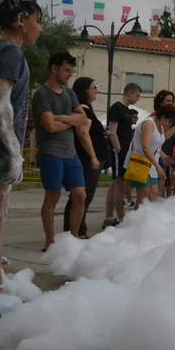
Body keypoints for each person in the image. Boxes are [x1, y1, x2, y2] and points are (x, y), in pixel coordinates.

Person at [0, 0, 42, 294]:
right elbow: (1, 106)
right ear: (21, 20)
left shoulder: (1, 50)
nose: (40, 29)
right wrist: (16, 155)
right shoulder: (10, 52)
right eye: (37, 21)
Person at [31, 52, 97, 251]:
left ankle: (73, 238)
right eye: (67, 70)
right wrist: (70, 120)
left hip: (70, 153)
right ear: (54, 69)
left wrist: (62, 118)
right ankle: (49, 241)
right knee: (53, 195)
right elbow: (49, 127)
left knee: (80, 195)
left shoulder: (68, 93)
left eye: (71, 71)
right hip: (50, 151)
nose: (70, 75)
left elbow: (83, 118)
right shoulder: (42, 94)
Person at [62, 77, 108, 238]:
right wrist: (93, 157)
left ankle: (75, 230)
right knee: (82, 196)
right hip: (87, 158)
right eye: (93, 87)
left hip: (92, 157)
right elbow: (82, 133)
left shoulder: (87, 109)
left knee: (83, 195)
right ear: (84, 90)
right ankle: (76, 231)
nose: (96, 90)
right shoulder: (83, 110)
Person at [124, 104, 175, 207]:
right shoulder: (149, 124)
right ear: (163, 117)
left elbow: (159, 141)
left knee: (154, 195)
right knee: (143, 195)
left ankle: (147, 219)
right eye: (170, 121)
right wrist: (158, 166)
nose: (170, 124)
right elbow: (145, 147)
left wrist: (163, 156)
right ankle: (137, 220)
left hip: (151, 163)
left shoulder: (161, 127)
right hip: (141, 163)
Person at [104, 83, 142, 227]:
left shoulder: (127, 110)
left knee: (116, 184)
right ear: (130, 93)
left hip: (126, 150)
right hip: (120, 151)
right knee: (120, 185)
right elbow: (112, 131)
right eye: (137, 96)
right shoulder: (116, 108)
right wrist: (119, 150)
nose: (138, 99)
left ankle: (109, 217)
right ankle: (120, 218)